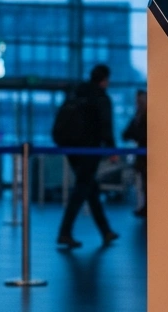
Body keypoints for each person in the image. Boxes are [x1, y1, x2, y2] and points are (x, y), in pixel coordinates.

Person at [55, 64, 119, 249]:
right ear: (104, 79)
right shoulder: (101, 97)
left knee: (90, 187)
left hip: (71, 148)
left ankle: (106, 231)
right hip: (90, 149)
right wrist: (112, 150)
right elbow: (106, 125)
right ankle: (64, 232)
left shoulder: (77, 93)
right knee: (83, 188)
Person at [122, 89, 147, 218]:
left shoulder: (146, 116)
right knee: (143, 183)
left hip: (147, 156)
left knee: (148, 184)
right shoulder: (138, 115)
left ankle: (147, 206)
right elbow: (126, 133)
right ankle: (145, 206)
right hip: (142, 156)